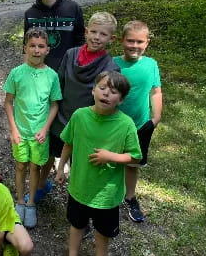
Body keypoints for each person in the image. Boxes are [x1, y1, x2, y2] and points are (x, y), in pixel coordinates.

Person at [55, 71, 142, 256]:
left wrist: (110, 156)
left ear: (121, 100)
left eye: (113, 91)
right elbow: (68, 143)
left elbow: (135, 157)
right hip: (79, 188)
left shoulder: (126, 124)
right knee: (77, 225)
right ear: (93, 90)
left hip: (107, 195)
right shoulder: (79, 116)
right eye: (102, 88)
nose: (106, 93)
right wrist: (61, 167)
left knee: (103, 232)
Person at [40, 12, 120, 205]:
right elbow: (58, 86)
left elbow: (107, 103)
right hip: (60, 118)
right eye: (93, 32)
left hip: (86, 127)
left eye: (103, 34)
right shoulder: (71, 54)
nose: (96, 37)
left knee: (80, 167)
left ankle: (78, 202)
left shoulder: (111, 68)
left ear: (112, 38)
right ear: (86, 31)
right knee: (48, 156)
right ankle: (40, 188)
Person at [23, 0, 85, 204]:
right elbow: (26, 46)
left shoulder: (72, 8)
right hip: (42, 78)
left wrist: (79, 74)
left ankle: (71, 173)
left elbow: (81, 42)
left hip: (68, 79)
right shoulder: (30, 13)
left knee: (66, 126)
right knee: (44, 129)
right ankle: (40, 183)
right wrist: (25, 77)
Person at [3, 28, 62, 228]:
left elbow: (54, 104)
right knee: (20, 165)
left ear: (47, 50)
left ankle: (31, 203)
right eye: (32, 46)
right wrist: (14, 129)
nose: (36, 50)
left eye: (41, 46)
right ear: (25, 48)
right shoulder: (16, 73)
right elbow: (8, 102)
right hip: (21, 131)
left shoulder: (52, 76)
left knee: (35, 166)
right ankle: (20, 201)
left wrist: (45, 129)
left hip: (39, 134)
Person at [113, 20, 163, 223]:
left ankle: (130, 197)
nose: (134, 45)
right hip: (114, 124)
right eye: (130, 41)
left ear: (147, 43)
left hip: (141, 124)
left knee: (132, 163)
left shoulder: (151, 64)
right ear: (121, 40)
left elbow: (156, 90)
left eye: (139, 42)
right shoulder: (112, 63)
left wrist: (156, 117)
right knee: (110, 161)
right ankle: (107, 198)